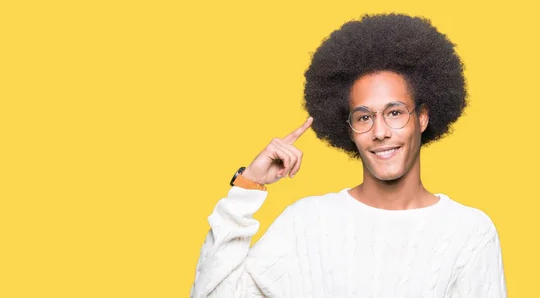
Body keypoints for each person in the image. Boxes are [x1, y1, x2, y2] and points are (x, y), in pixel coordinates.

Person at [191, 13, 507, 297]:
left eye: (395, 112)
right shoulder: (307, 223)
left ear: (422, 117)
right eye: (364, 116)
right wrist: (247, 187)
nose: (380, 131)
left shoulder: (469, 231)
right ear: (349, 128)